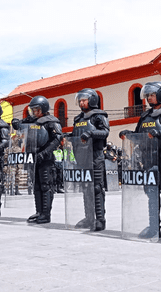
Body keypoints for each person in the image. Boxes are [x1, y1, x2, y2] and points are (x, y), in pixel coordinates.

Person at [119, 81, 161, 242]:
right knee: (152, 196)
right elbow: (140, 136)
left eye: (152, 95)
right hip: (148, 162)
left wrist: (160, 133)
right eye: (147, 96)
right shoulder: (145, 116)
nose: (149, 99)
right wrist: (129, 134)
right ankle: (154, 227)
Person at [12, 96, 63, 224]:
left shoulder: (51, 121)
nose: (34, 112)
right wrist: (16, 123)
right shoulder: (31, 120)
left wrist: (44, 153)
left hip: (46, 159)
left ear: (43, 109)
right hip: (33, 159)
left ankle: (46, 214)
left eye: (37, 109)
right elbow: (21, 125)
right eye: (33, 109)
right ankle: (39, 211)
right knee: (37, 186)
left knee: (46, 186)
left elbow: (57, 139)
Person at [69, 88, 110, 230]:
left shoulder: (99, 116)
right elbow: (76, 135)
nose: (81, 102)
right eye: (80, 100)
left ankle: (100, 219)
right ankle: (89, 217)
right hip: (81, 157)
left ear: (92, 100)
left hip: (95, 156)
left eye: (84, 100)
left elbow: (105, 132)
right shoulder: (78, 119)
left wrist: (91, 133)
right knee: (86, 188)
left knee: (97, 188)